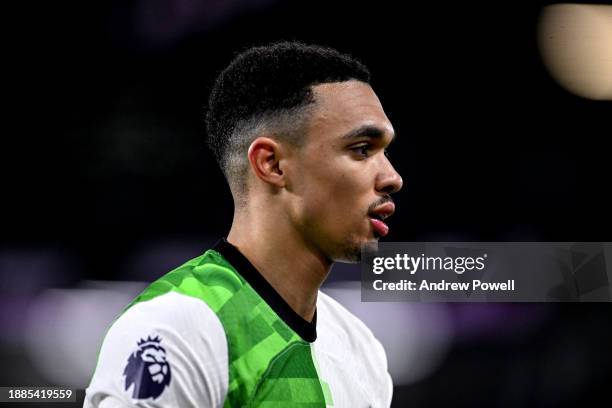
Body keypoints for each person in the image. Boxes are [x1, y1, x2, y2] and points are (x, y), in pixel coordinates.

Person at [84, 41, 402, 407]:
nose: (392, 177)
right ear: (272, 164)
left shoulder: (359, 347)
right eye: (362, 149)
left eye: (385, 152)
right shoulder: (175, 332)